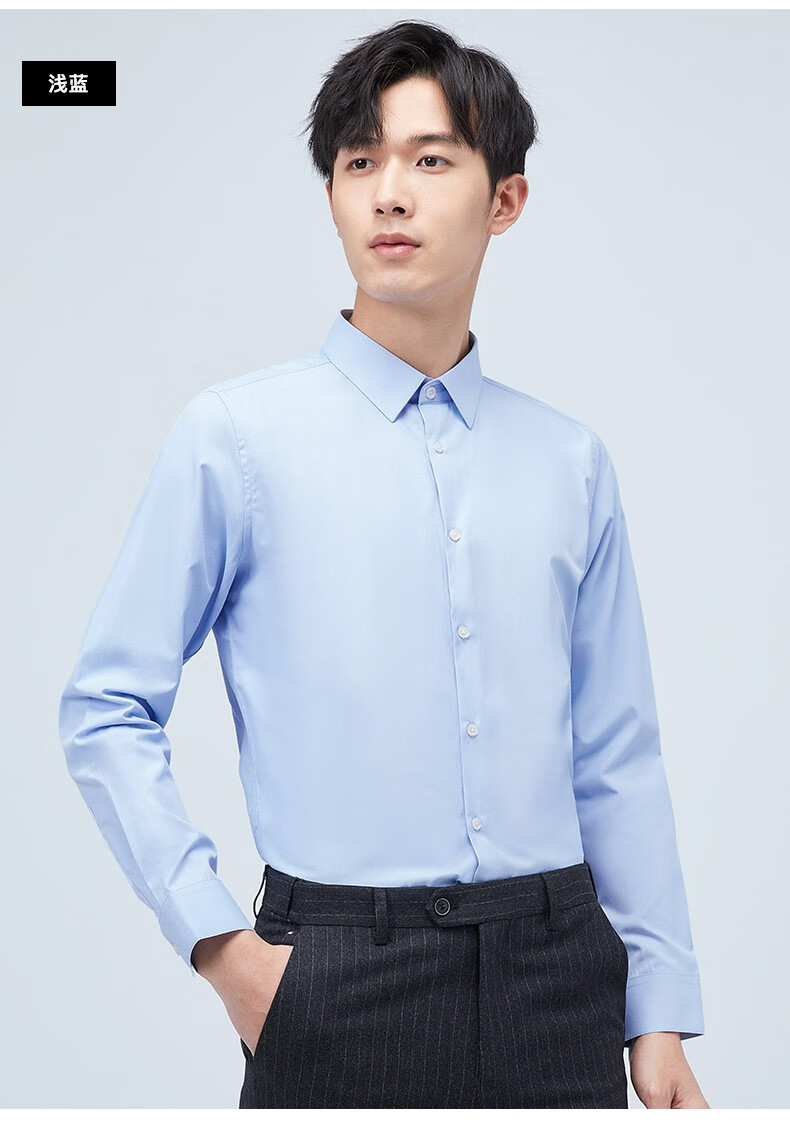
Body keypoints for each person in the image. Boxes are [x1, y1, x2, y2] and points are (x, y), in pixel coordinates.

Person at [58, 19, 708, 1110]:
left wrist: (658, 1006)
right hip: (336, 972)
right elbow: (105, 705)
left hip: (558, 974)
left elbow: (615, 753)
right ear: (331, 195)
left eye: (430, 159)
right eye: (359, 163)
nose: (389, 194)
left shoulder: (569, 462)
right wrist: (222, 945)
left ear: (505, 200)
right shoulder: (236, 439)